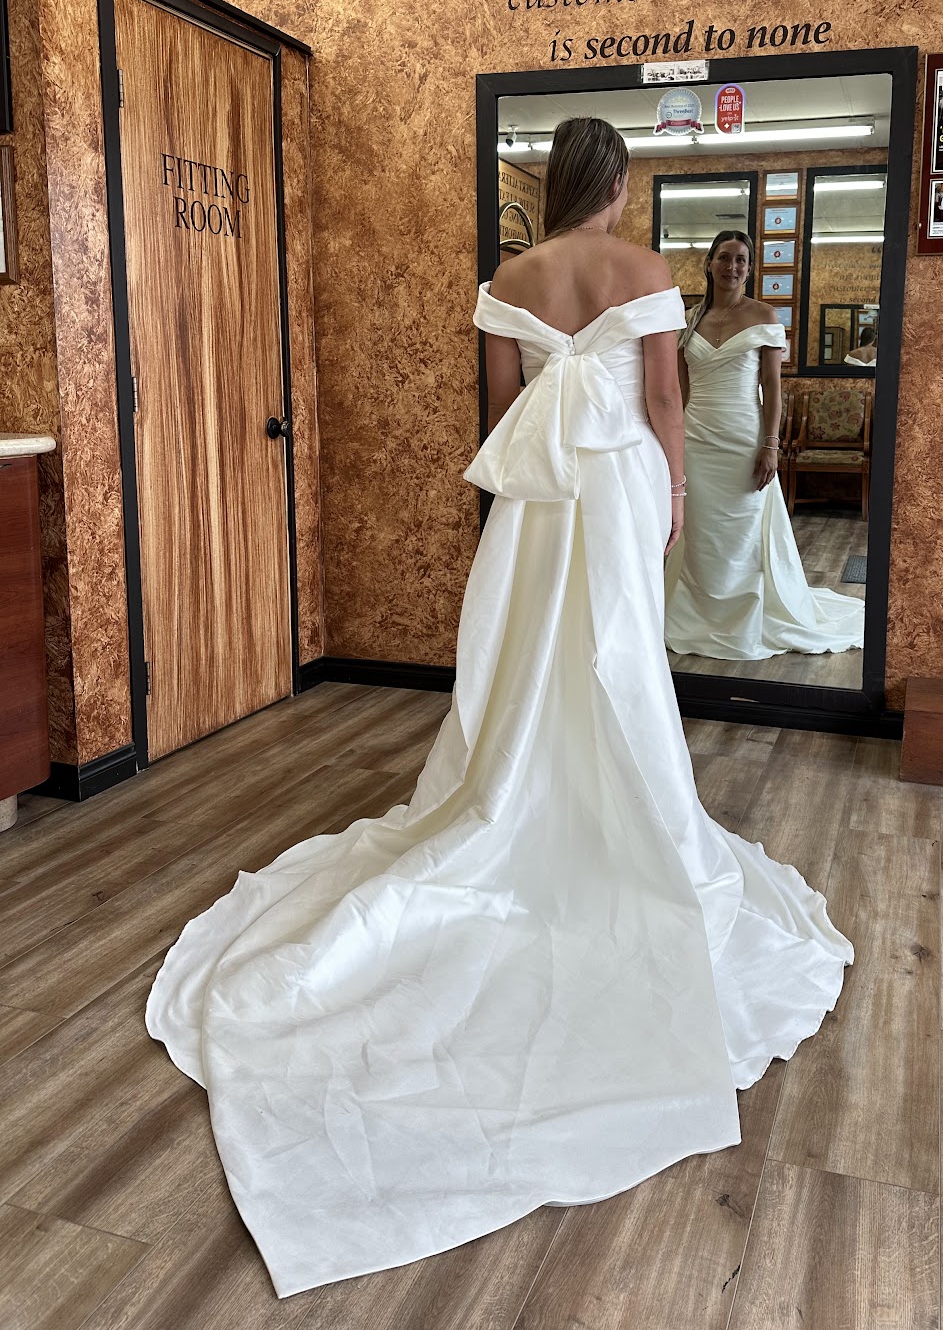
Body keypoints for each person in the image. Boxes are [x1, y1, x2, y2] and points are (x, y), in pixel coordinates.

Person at [144, 119, 854, 1299]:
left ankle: (520, 796)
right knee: (618, 657)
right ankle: (619, 816)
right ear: (617, 184)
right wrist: (676, 495)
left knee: (528, 659)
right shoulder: (643, 268)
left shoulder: (507, 280)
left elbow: (497, 412)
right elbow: (665, 399)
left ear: (558, 179)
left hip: (535, 499)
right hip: (618, 484)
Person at [664, 230, 865, 661]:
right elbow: (681, 391)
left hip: (744, 436)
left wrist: (771, 445)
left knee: (742, 528)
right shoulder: (690, 318)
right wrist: (671, 444)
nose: (732, 266)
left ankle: (744, 616)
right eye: (724, 257)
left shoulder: (764, 316)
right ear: (709, 263)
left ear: (750, 269)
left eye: (741, 259)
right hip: (697, 438)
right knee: (699, 530)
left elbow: (773, 387)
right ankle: (696, 612)